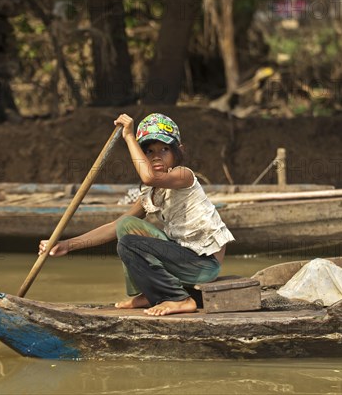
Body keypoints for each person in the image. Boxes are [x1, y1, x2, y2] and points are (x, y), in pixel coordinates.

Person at [39, 113, 235, 316]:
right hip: (183, 258)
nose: (156, 156)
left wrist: (129, 137)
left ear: (179, 152)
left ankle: (179, 299)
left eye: (164, 149)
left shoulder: (184, 175)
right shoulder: (151, 194)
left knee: (129, 244)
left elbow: (149, 176)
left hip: (203, 266)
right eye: (149, 151)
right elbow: (114, 227)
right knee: (126, 225)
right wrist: (66, 245)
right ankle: (149, 293)